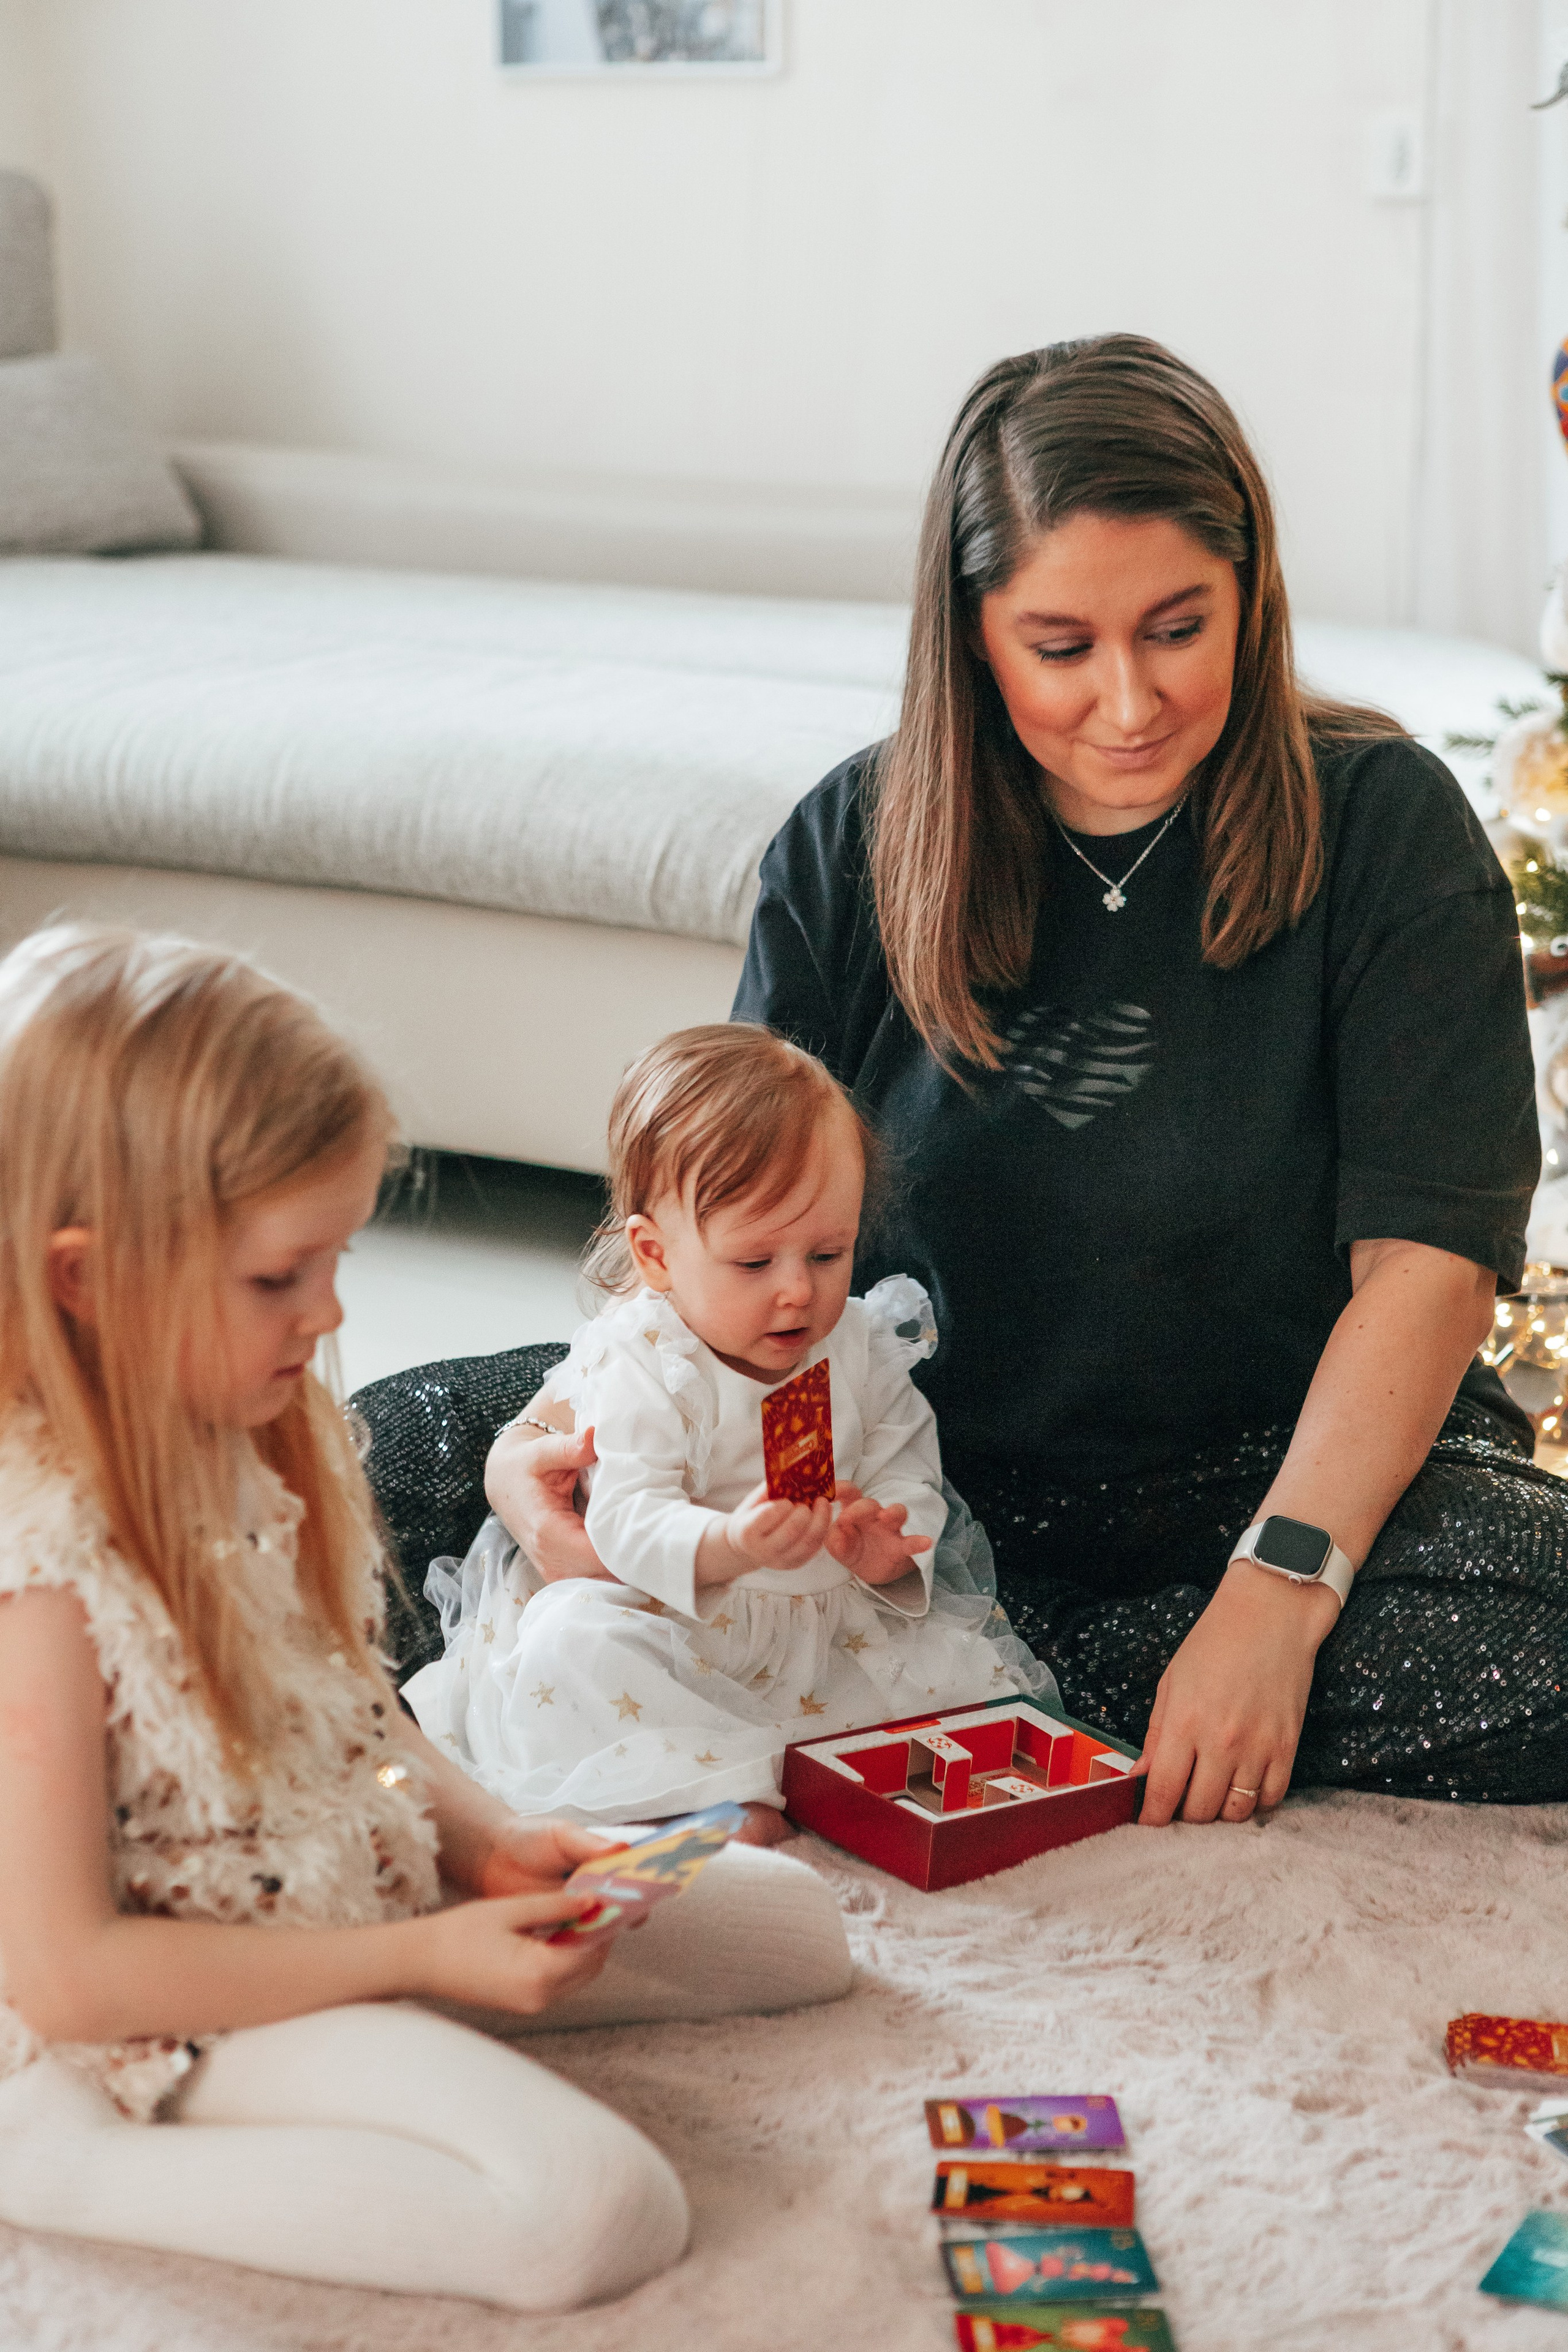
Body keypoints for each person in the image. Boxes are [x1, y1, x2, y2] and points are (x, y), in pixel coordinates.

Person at [491, 334, 1568, 1827]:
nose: (1125, 703)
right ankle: (954, 1678)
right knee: (384, 1464)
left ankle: (886, 1695)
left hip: (1269, 1482)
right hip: (899, 1481)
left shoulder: (1386, 828)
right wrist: (539, 1457)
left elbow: (1428, 1275)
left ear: (1249, 595)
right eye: (1060, 648)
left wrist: (1275, 1598)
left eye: (1176, 628)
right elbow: (715, 1238)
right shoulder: (850, 840)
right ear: (972, 633)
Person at [0, 925, 851, 2311]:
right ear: (86, 1279)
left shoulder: (253, 1429)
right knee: (595, 2214)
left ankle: (400, 1995)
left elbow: (360, 1720)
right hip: (152, 2011)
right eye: (280, 1279)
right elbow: (69, 1975)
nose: (330, 1312)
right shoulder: (36, 1564)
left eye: (336, 1258)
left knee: (795, 1935)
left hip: (336, 1886)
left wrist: (492, 1842)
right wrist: (410, 1956)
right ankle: (54, 2166)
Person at [403, 1023, 1049, 1841]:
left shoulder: (857, 1347)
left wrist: (892, 1550)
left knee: (949, 1690)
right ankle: (718, 1798)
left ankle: (793, 1778)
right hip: (673, 1621)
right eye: (755, 1264)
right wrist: (732, 1544)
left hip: (822, 1625)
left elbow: (907, 1472)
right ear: (655, 1255)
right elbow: (625, 1519)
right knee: (572, 1641)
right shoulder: (650, 1361)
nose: (797, 1294)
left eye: (828, 1253)